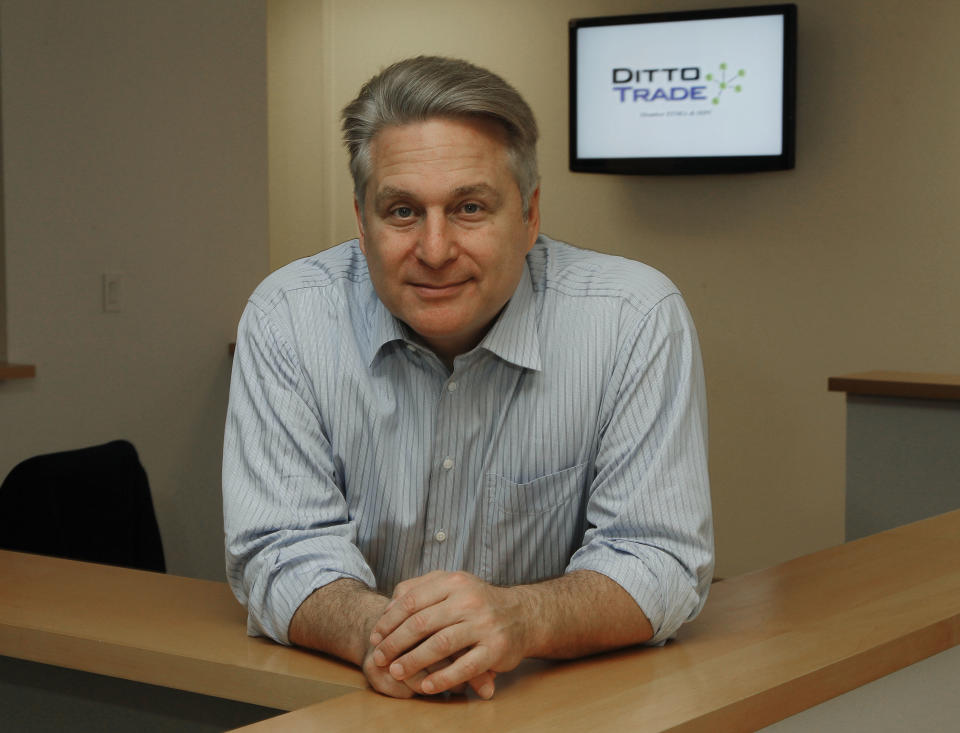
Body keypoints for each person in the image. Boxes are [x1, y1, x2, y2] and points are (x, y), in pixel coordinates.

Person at [222, 56, 713, 700]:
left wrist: (522, 618)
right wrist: (386, 635)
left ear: (530, 215)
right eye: (401, 211)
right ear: (361, 223)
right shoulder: (287, 317)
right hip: (360, 701)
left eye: (470, 207)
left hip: (551, 705)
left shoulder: (633, 320)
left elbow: (659, 557)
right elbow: (278, 546)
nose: (434, 249)